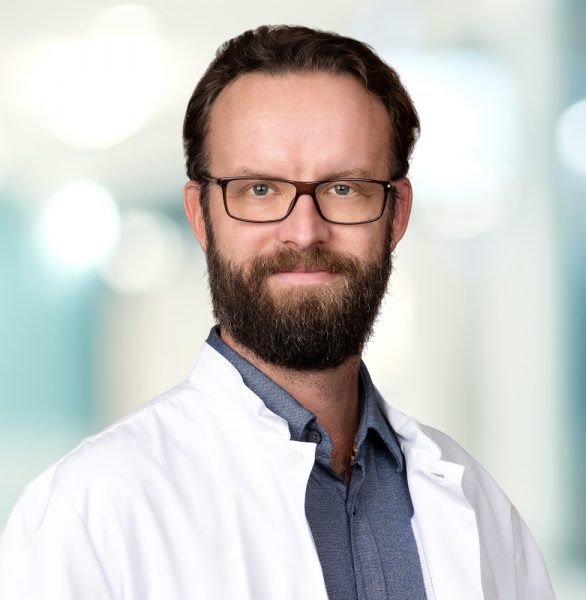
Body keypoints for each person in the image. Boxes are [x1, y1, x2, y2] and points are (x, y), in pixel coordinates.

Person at [0, 25, 554, 600]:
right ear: (200, 216)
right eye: (260, 190)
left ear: (397, 214)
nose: (304, 231)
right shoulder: (85, 517)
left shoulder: (480, 508)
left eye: (345, 188)